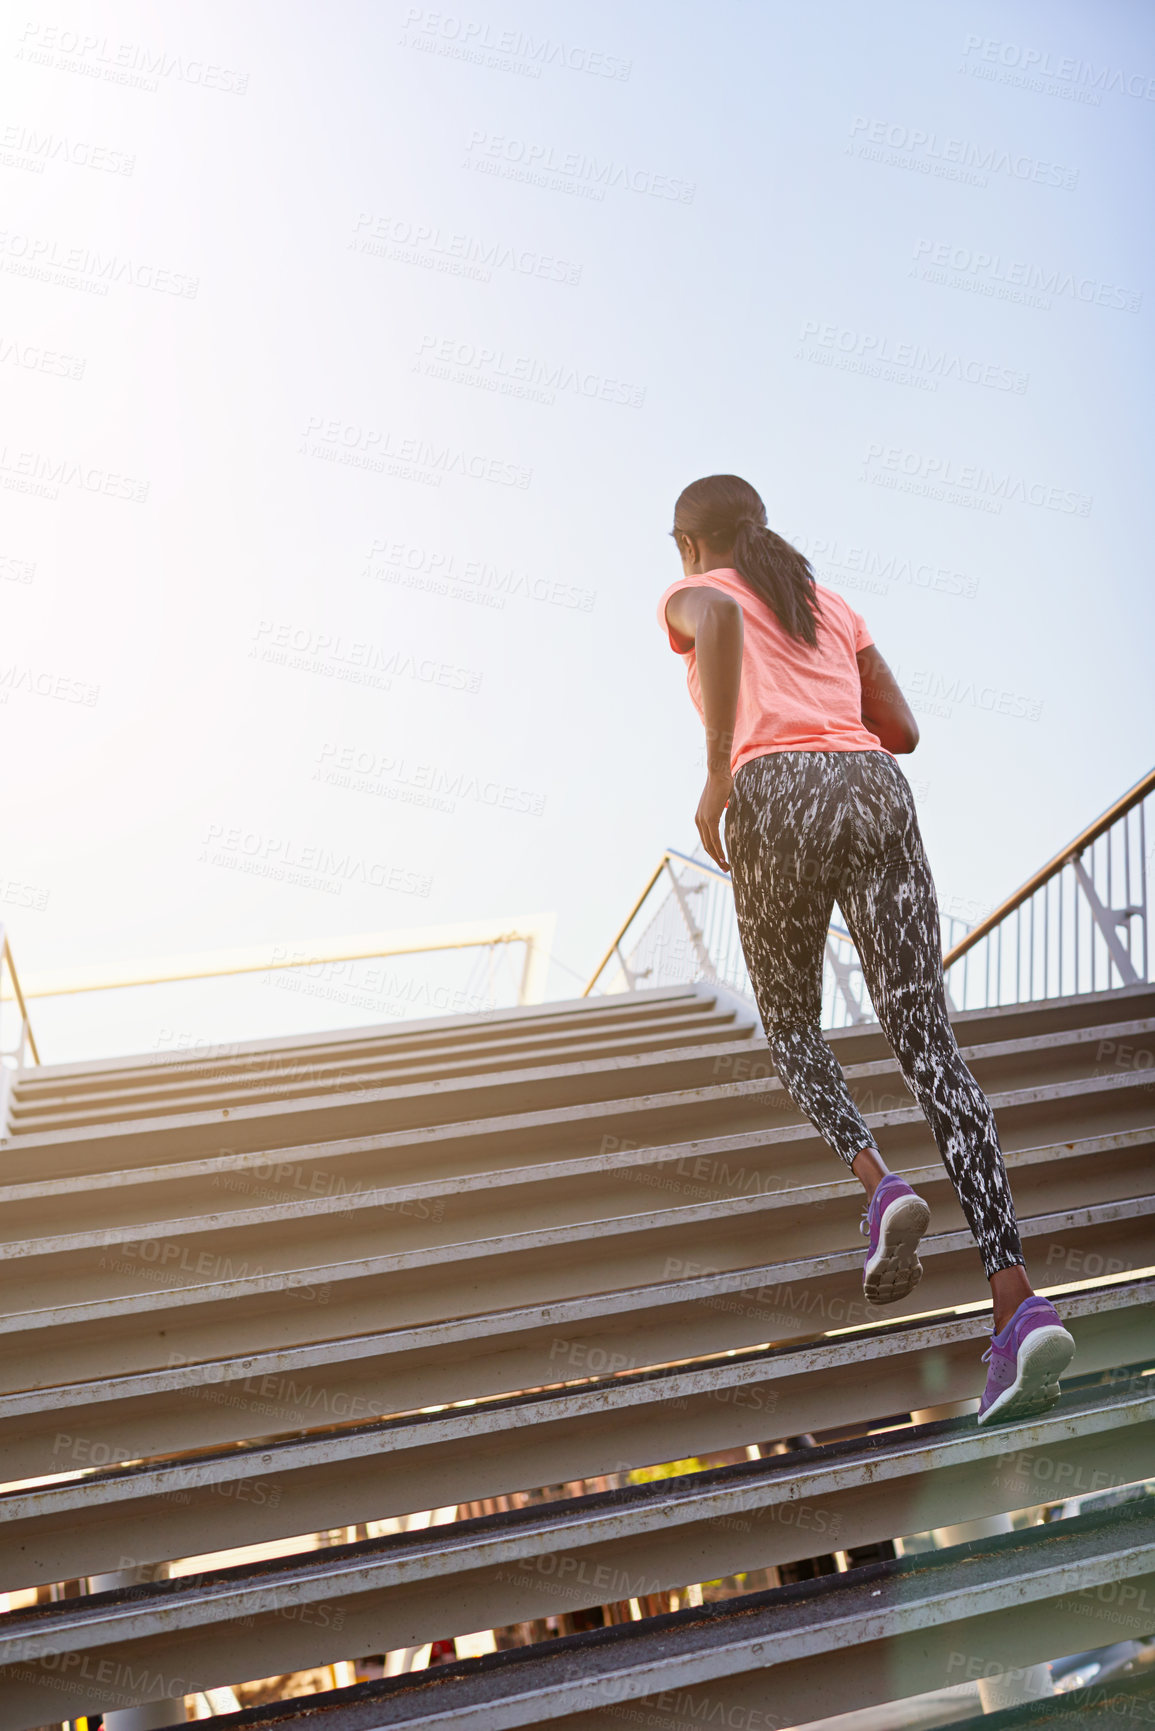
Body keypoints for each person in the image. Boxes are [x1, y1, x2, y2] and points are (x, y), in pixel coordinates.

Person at [657, 473, 1075, 1425]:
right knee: (928, 1043)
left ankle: (877, 1181)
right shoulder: (827, 602)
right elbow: (902, 729)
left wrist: (720, 771)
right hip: (874, 786)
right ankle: (1016, 1299)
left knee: (794, 1029)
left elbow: (715, 624)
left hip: (779, 790)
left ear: (687, 544)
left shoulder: (695, 589)